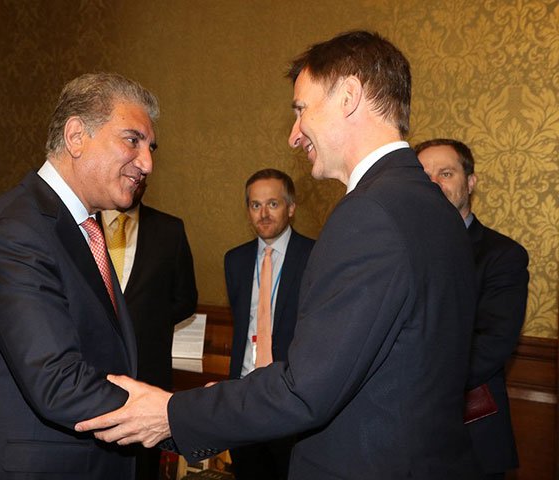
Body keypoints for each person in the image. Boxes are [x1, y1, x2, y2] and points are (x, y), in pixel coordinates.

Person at [75, 31, 483, 479]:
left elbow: (305, 390)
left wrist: (170, 412)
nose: (293, 136)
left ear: (349, 96)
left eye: (301, 110)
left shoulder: (370, 213)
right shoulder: (433, 207)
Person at [0, 72, 158, 479]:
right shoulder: (15, 232)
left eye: (151, 147)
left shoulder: (81, 228)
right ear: (76, 135)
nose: (147, 162)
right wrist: (172, 418)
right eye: (132, 140)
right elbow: (57, 382)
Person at [415, 138, 529, 480]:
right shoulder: (398, 250)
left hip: (469, 437)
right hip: (404, 439)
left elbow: (491, 345)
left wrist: (413, 382)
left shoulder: (502, 255)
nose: (433, 183)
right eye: (424, 175)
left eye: (446, 173)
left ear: (471, 182)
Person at [99, 176, 198, 479]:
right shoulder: (80, 227)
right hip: (89, 379)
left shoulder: (169, 230)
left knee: (142, 470)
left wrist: (146, 322)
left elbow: (185, 299)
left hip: (148, 379)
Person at [225, 168, 314, 479]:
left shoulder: (315, 256)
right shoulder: (234, 260)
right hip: (244, 393)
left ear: (290, 207)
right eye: (255, 205)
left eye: (273, 204)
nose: (263, 214)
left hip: (291, 393)